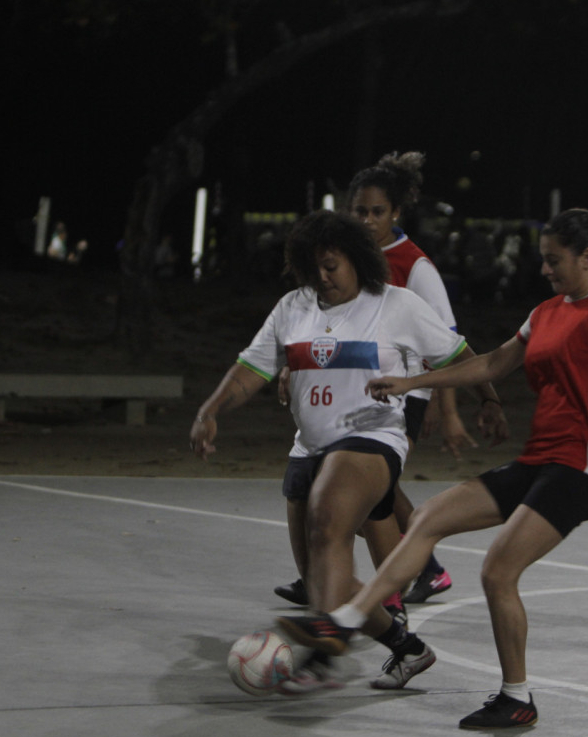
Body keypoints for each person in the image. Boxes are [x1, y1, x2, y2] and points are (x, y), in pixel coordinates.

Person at [277, 193, 588, 729]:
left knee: (499, 570)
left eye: (553, 259)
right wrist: (413, 380)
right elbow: (494, 362)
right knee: (426, 519)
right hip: (541, 459)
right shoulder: (544, 312)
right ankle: (344, 623)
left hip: (587, 466)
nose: (543, 268)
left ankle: (516, 697)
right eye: (543, 258)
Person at [190, 209, 474, 694]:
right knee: (327, 582)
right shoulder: (293, 308)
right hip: (310, 446)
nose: (322, 278)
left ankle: (322, 658)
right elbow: (252, 369)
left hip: (372, 438)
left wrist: (483, 401)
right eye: (313, 268)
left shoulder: (395, 305)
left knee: (327, 521)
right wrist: (211, 408)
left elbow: (457, 355)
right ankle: (407, 648)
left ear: (357, 261)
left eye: (331, 266)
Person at [274, 152, 508, 611]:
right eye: (358, 210)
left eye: (376, 211)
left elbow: (451, 342)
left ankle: (387, 578)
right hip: (348, 387)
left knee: (358, 486)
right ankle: (387, 572)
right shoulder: (335, 260)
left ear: (396, 213)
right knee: (367, 488)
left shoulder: (415, 267)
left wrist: (450, 409)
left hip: (405, 391)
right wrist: (291, 367)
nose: (366, 219)